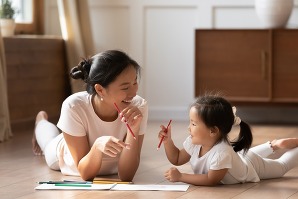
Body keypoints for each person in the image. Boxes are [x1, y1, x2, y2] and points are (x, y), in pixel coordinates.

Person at [32, 50, 148, 181]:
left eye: (135, 82)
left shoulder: (139, 106)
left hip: (110, 166)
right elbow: (86, 173)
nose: (133, 92)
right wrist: (97, 146)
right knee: (48, 141)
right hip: (65, 158)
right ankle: (41, 121)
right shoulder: (74, 106)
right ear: (100, 89)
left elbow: (127, 176)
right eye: (125, 88)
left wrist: (134, 129)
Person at [158, 94, 298, 186]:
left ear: (213, 130)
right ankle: (273, 145)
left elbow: (211, 179)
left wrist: (181, 176)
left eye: (193, 124)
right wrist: (167, 141)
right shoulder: (195, 142)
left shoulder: (222, 153)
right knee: (245, 156)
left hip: (251, 166)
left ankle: (277, 146)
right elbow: (176, 159)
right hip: (240, 156)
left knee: (281, 166)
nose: (189, 128)